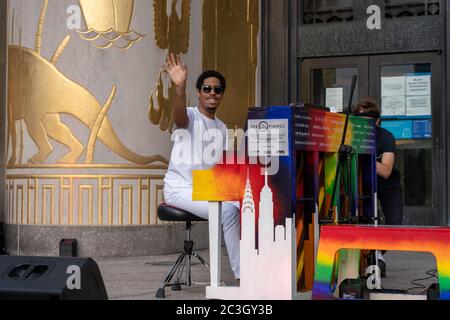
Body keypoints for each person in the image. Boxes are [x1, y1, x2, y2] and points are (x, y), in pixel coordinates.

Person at [163, 53, 240, 280]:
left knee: (245, 205)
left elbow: (220, 169)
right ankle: (241, 276)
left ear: (222, 95)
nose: (212, 93)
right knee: (226, 210)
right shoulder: (190, 116)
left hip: (206, 189)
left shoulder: (222, 127)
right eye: (207, 89)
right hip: (180, 190)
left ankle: (256, 267)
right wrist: (179, 88)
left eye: (217, 90)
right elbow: (178, 118)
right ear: (198, 92)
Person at [354, 98, 403, 276]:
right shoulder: (353, 136)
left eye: (368, 120)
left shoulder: (386, 136)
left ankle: (377, 256)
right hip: (364, 184)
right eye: (359, 120)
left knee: (394, 226)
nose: (364, 125)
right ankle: (373, 259)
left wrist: (365, 158)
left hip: (389, 186)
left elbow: (386, 170)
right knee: (365, 221)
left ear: (377, 121)